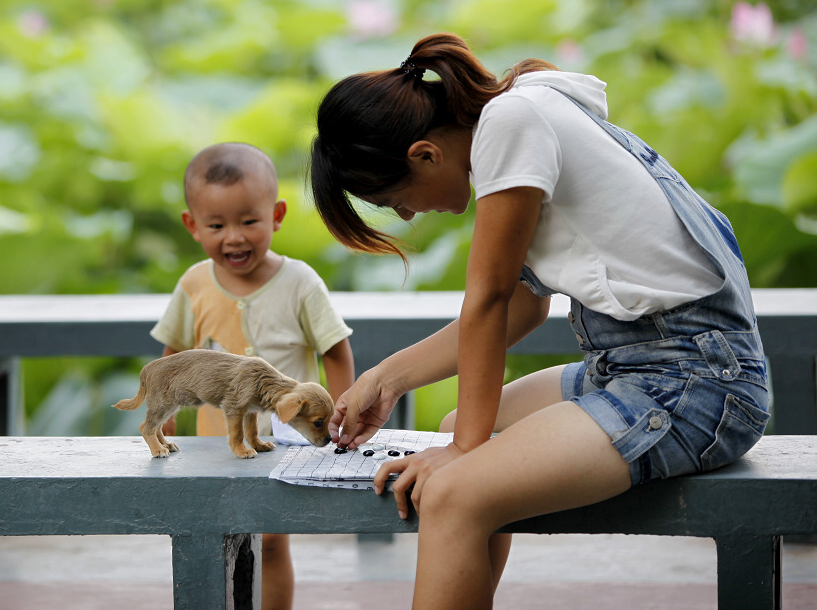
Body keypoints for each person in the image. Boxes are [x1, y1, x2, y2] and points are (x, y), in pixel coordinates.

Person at [308, 33, 769, 610]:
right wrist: (389, 378)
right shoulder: (524, 108)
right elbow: (528, 305)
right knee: (459, 423)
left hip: (695, 384)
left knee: (453, 491)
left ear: (425, 154)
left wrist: (464, 451)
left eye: (392, 198)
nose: (404, 214)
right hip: (629, 367)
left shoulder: (510, 124)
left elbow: (490, 298)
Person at [151, 142, 355, 610]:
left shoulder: (300, 283)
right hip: (213, 445)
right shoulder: (193, 285)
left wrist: (341, 409)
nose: (235, 238)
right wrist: (164, 419)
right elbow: (174, 356)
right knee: (212, 538)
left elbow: (335, 349)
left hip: (285, 444)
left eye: (249, 221)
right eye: (217, 225)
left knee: (271, 543)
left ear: (276, 214)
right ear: (192, 226)